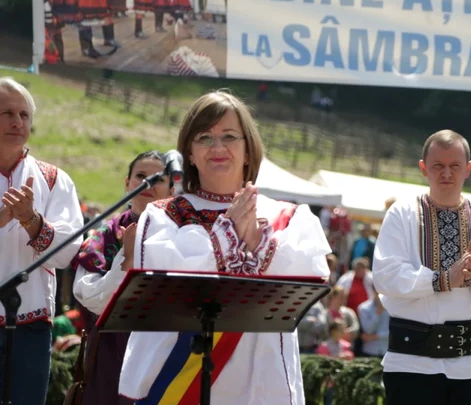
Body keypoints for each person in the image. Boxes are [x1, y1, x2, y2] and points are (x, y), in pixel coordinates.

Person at [118, 90, 331, 404]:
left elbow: (310, 276)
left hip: (263, 381)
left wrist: (258, 242)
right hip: (177, 382)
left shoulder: (290, 216)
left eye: (229, 136)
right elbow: (162, 278)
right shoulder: (163, 214)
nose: (217, 147)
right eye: (204, 137)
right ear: (189, 153)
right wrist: (227, 234)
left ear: (248, 149)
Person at [373, 130, 471, 405]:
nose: (446, 174)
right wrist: (442, 280)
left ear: (468, 170)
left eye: (455, 166)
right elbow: (385, 276)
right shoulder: (402, 213)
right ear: (423, 168)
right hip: (410, 363)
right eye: (438, 166)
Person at [0, 77, 83, 405]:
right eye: (6, 113)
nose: (17, 121)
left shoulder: (53, 179)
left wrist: (31, 222)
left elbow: (68, 252)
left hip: (31, 326)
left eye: (23, 115)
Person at [72, 151, 172, 405]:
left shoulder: (182, 236)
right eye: (140, 176)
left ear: (172, 188)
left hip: (163, 348)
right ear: (127, 183)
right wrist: (125, 263)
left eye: (157, 178)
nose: (147, 184)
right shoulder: (104, 235)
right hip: (111, 349)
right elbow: (88, 296)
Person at [357, 285, 390, 358]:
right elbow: (368, 330)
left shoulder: (393, 307)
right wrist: (378, 312)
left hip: (388, 352)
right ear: (374, 291)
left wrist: (375, 337)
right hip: (369, 351)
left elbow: (394, 332)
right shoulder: (363, 308)